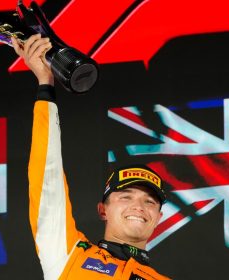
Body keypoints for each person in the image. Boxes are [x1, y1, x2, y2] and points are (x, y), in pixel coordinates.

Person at [12, 34, 171, 280]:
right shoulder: (70, 255)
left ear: (158, 218)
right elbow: (47, 180)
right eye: (125, 196)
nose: (138, 206)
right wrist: (45, 84)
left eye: (150, 201)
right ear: (102, 210)